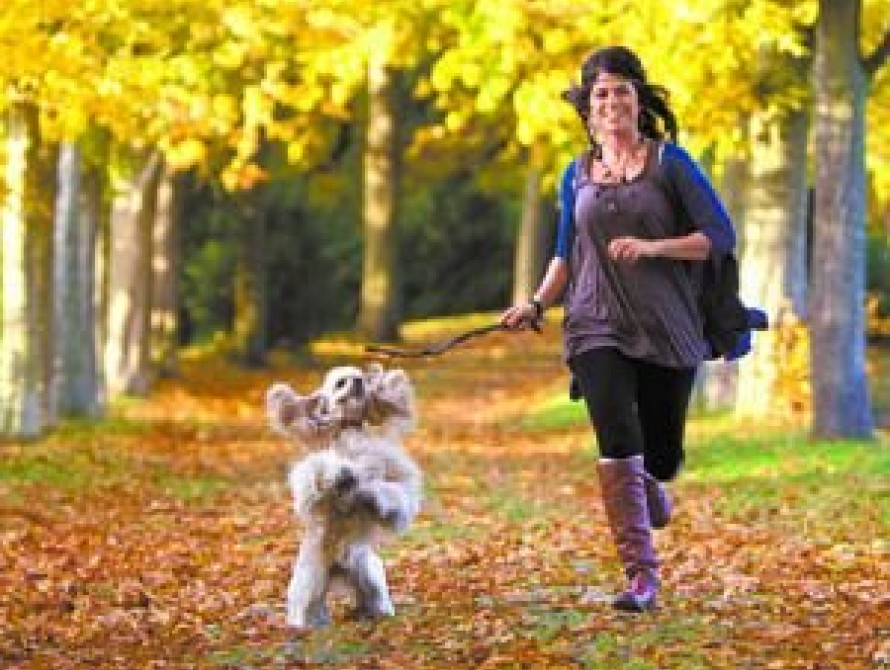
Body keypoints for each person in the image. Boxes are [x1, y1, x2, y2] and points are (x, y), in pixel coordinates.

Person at [500, 45, 738, 612]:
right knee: (615, 439)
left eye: (622, 91)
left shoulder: (671, 164)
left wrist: (655, 247)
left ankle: (648, 484)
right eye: (601, 94)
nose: (612, 102)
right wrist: (535, 303)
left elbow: (720, 236)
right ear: (587, 108)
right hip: (593, 322)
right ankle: (641, 576)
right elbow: (565, 252)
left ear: (638, 100)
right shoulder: (574, 175)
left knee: (660, 456)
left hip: (666, 324)